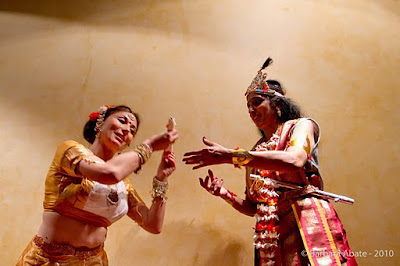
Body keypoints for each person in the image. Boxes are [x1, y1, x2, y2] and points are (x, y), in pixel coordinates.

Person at [183, 58, 357, 265]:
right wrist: (223, 194)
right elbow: (252, 207)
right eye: (248, 106)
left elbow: (295, 160)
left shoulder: (301, 126)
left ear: (278, 105)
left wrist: (231, 156)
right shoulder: (256, 151)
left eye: (257, 102)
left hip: (307, 221)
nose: (251, 110)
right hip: (271, 236)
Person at [17, 104, 179, 265]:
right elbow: (109, 173)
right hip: (47, 260)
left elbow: (153, 225)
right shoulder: (70, 151)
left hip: (94, 261)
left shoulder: (123, 185)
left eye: (132, 131)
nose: (126, 130)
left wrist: (161, 178)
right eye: (122, 121)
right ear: (100, 123)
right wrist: (148, 147)